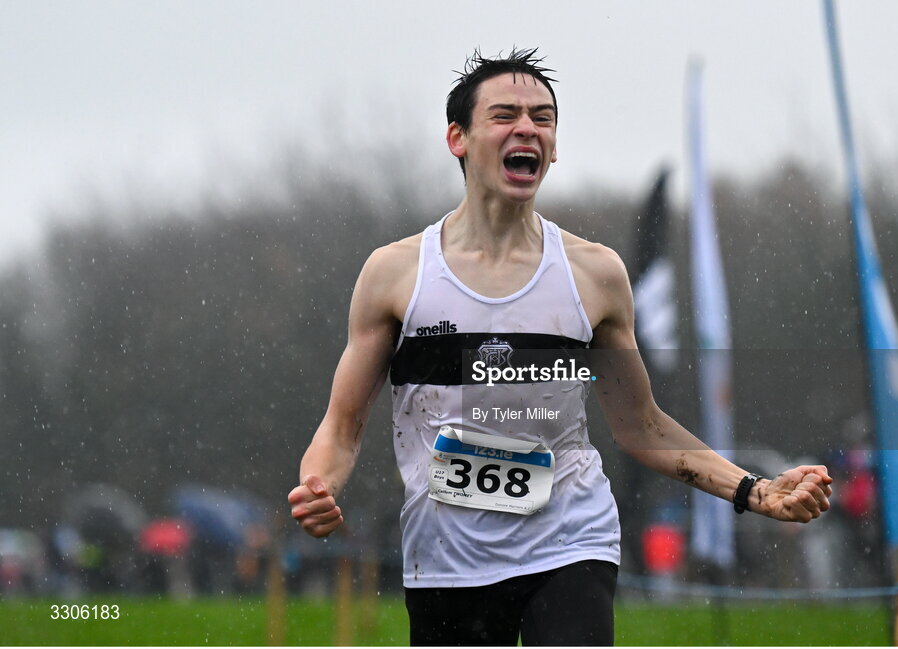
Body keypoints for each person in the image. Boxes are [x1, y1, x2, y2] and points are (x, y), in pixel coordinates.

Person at [288, 47, 832, 646]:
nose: (527, 128)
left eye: (543, 118)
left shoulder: (593, 274)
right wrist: (319, 487)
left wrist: (753, 490)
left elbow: (642, 427)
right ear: (457, 138)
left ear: (553, 145)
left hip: (571, 540)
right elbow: (342, 426)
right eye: (505, 115)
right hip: (445, 556)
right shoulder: (397, 274)